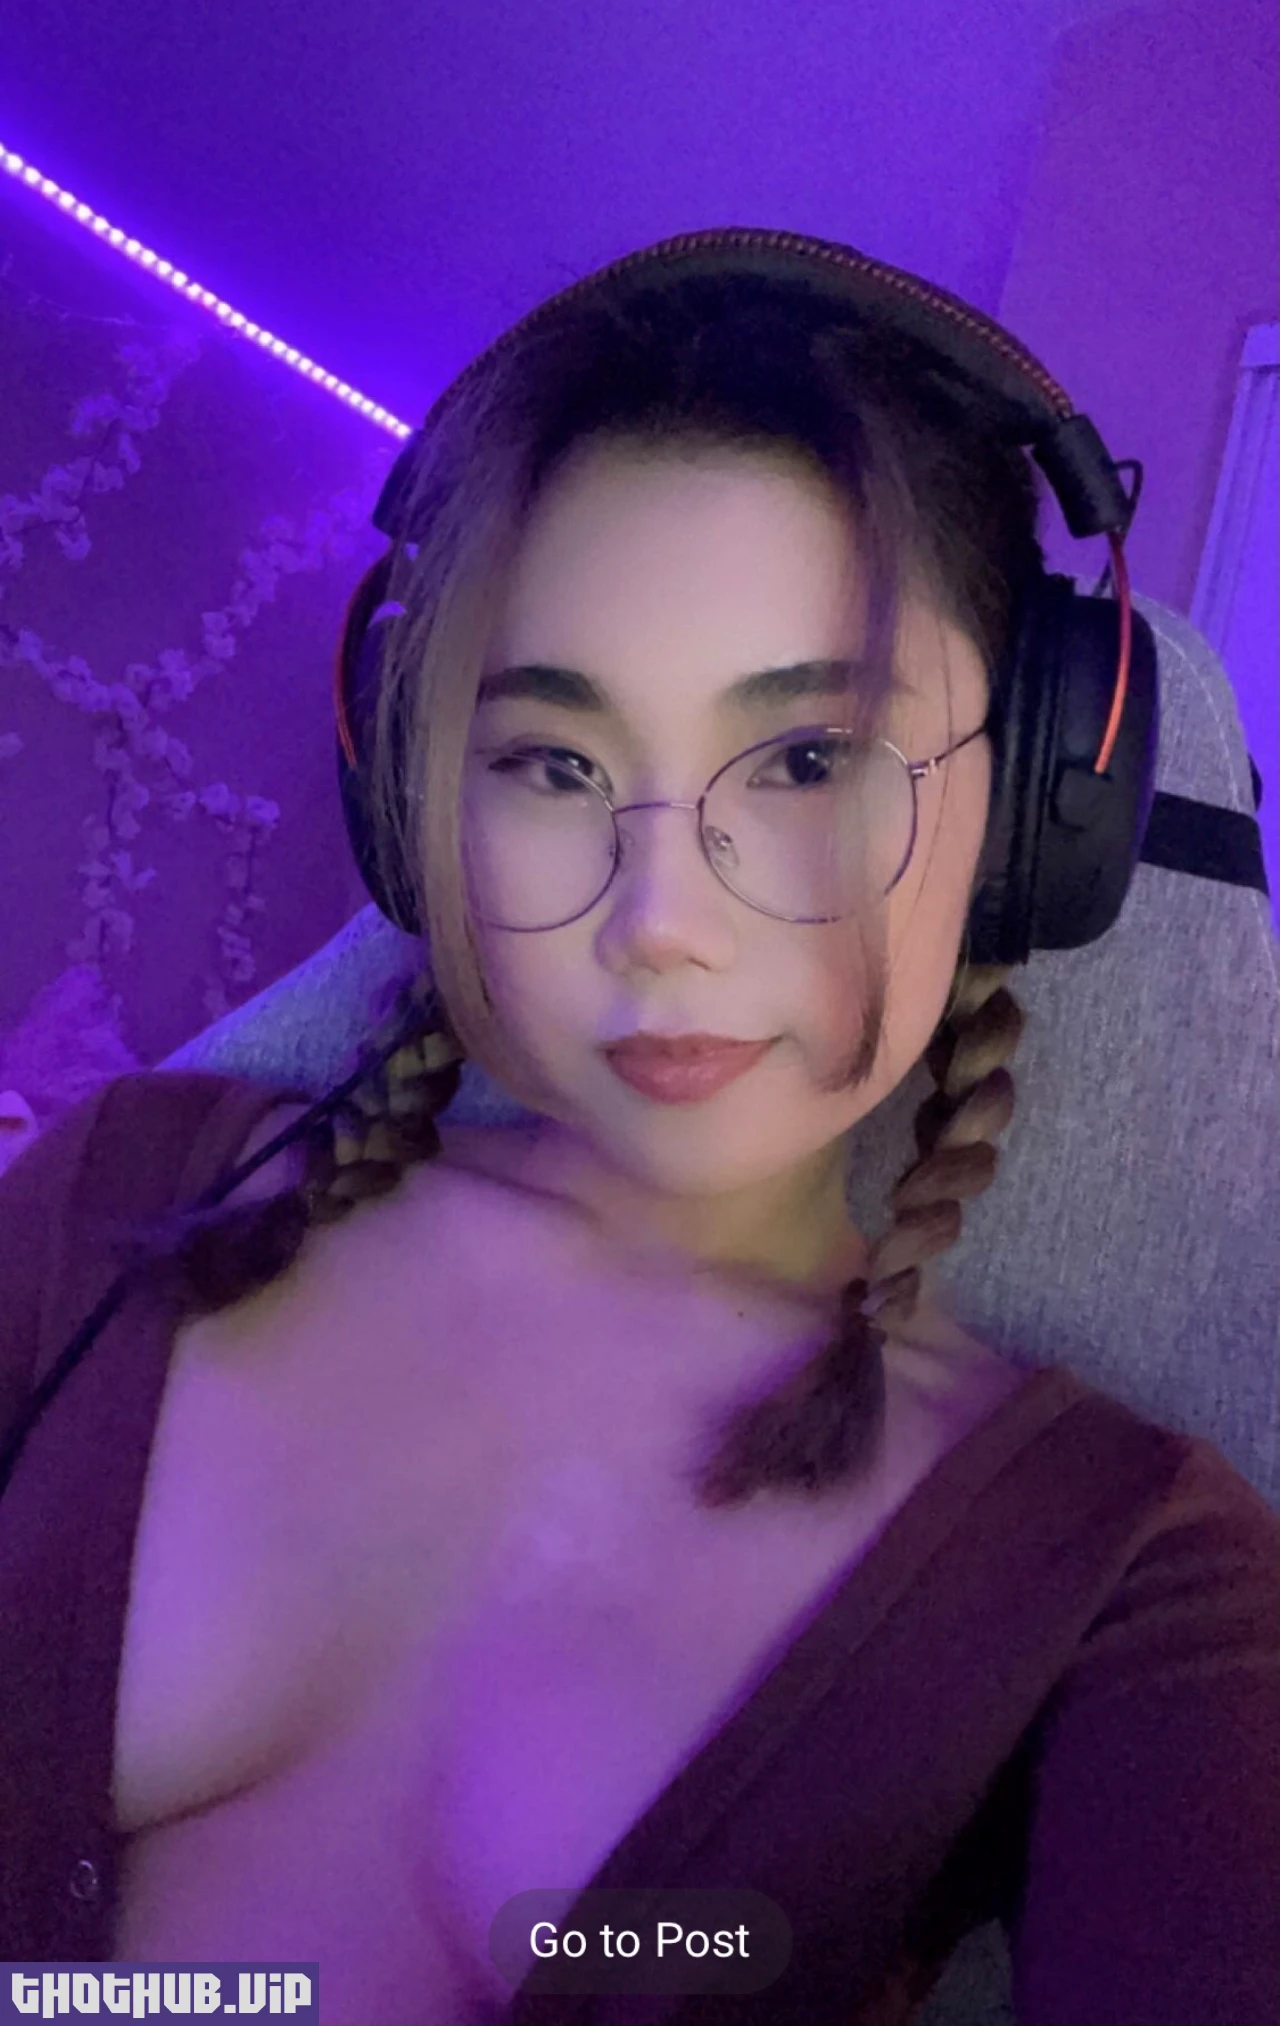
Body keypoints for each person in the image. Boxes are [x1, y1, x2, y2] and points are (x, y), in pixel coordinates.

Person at [1, 245, 1276, 2026]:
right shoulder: (115, 1193)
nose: (659, 922)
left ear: (1035, 815)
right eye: (554, 763)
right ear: (419, 797)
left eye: (811, 759)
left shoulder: (1138, 1571)